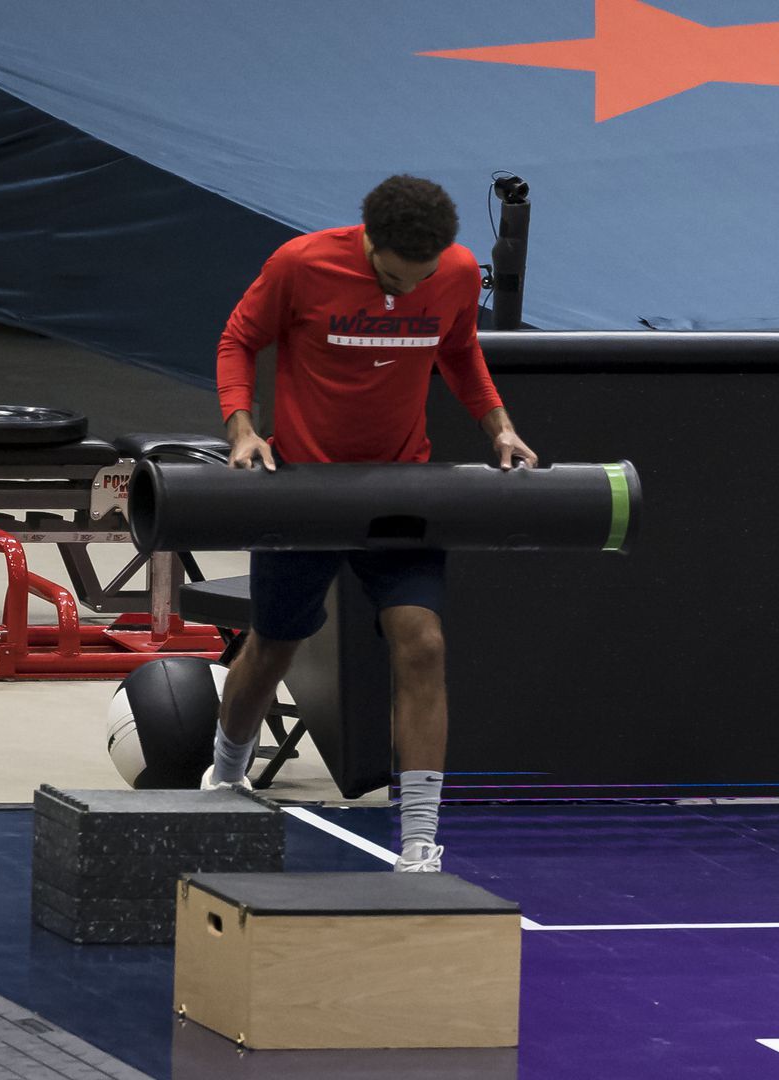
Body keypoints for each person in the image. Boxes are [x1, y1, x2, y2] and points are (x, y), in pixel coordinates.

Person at [205, 175, 537, 873]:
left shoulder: (447, 272)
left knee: (424, 645)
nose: (404, 290)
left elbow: (460, 351)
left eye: (417, 281)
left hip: (400, 487)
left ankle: (418, 841)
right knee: (272, 647)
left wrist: (498, 427)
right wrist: (242, 430)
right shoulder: (300, 264)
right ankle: (224, 780)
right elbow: (238, 339)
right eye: (392, 276)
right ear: (368, 241)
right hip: (304, 489)